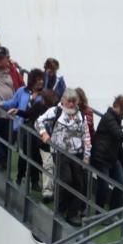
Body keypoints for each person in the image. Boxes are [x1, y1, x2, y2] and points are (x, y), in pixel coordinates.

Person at [36, 89, 92, 225]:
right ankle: (60, 210)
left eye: (74, 101)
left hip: (77, 153)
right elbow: (39, 121)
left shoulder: (81, 116)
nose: (72, 104)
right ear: (63, 101)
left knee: (79, 184)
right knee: (66, 180)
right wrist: (44, 134)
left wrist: (86, 155)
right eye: (69, 101)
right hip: (60, 152)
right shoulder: (56, 111)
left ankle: (72, 213)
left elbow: (86, 135)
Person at [3, 68, 45, 187]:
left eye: (42, 79)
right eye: (38, 80)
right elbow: (12, 103)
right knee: (24, 153)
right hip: (22, 127)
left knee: (35, 155)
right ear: (32, 80)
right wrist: (1, 104)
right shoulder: (22, 91)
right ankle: (20, 177)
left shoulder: (44, 95)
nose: (41, 82)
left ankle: (34, 181)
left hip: (36, 129)